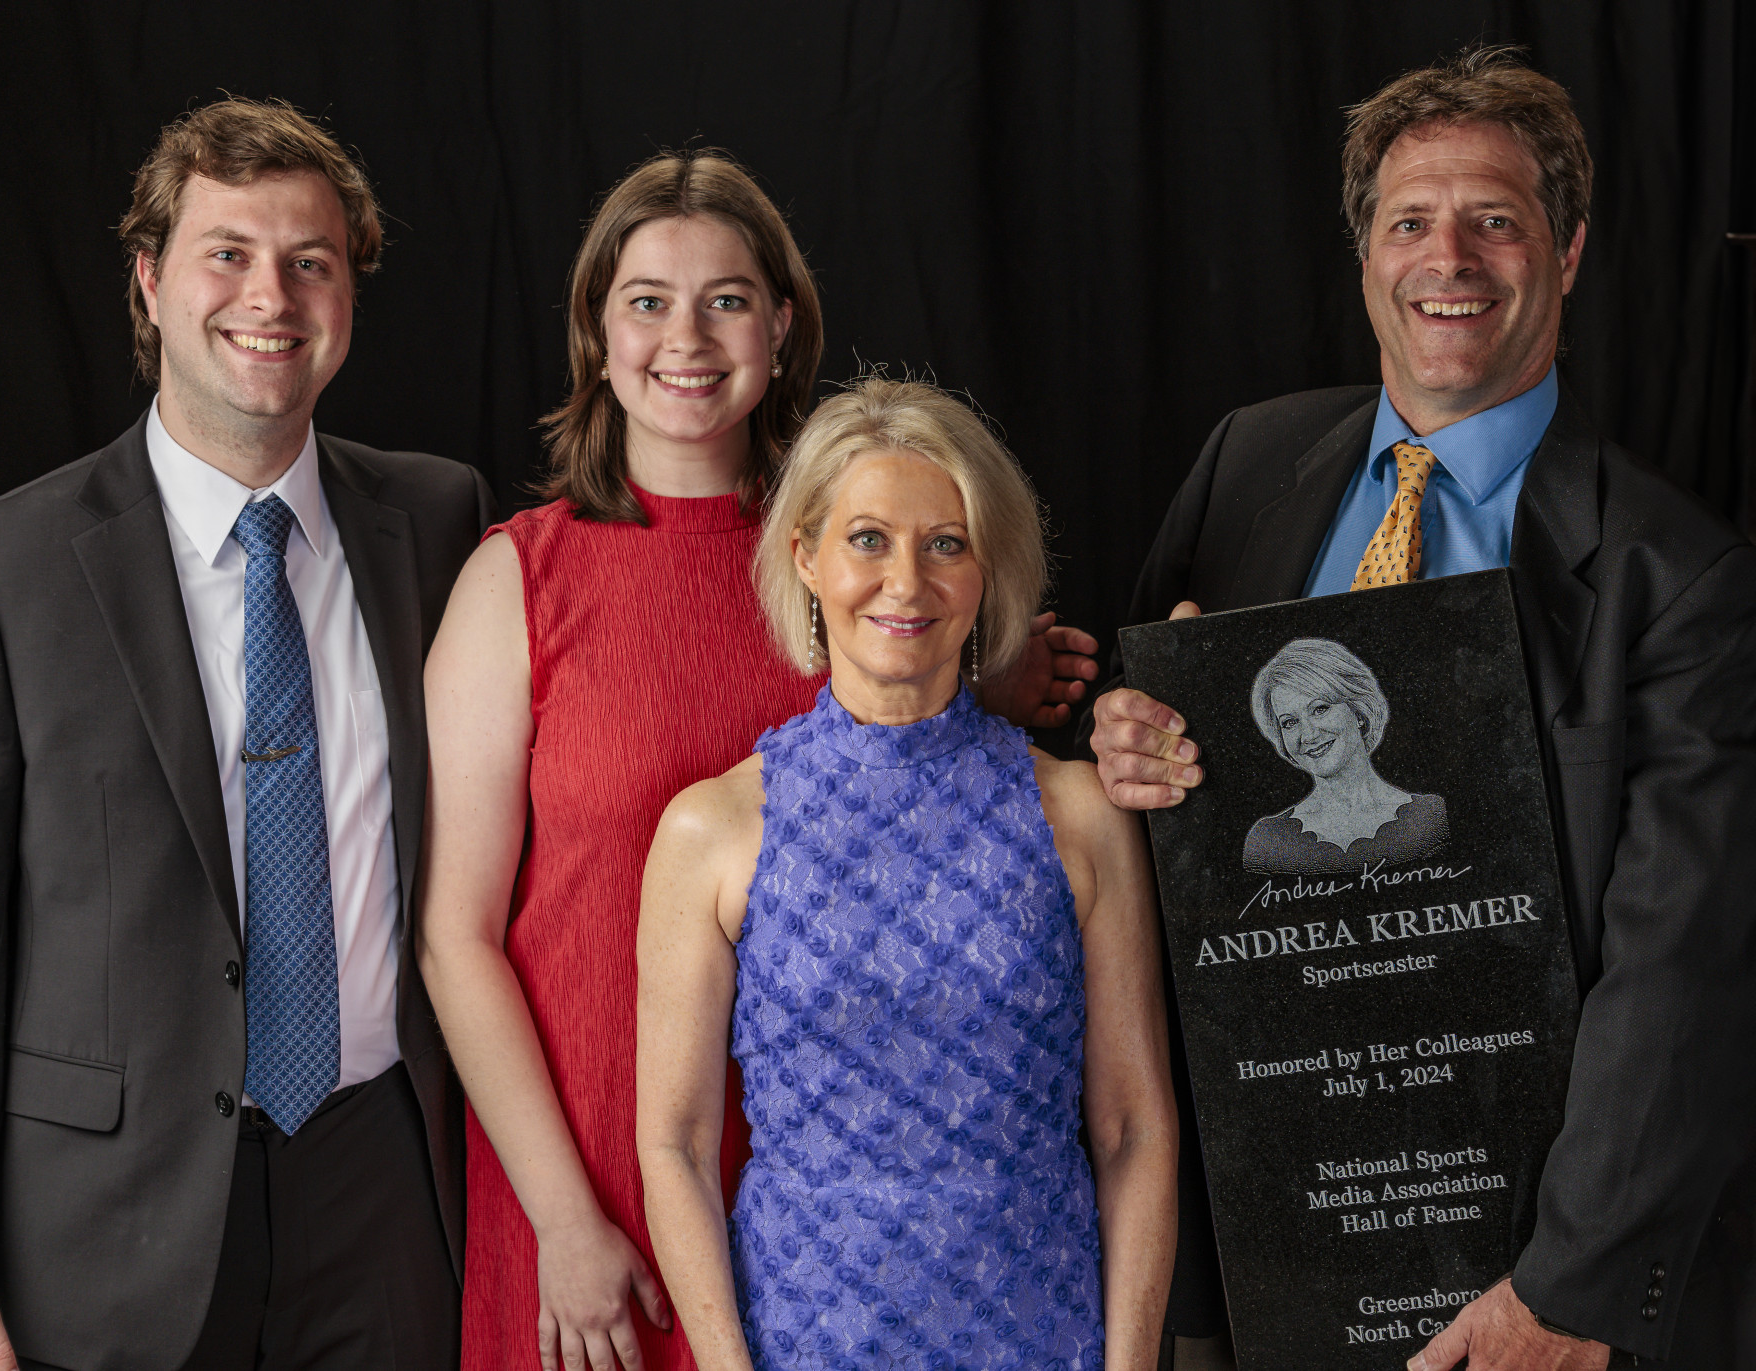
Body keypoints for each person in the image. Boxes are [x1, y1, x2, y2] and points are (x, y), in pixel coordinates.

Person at [1087, 46, 1756, 1371]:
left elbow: (1687, 971)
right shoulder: (1246, 467)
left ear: (1564, 253)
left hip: (1519, 1274)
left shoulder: (1680, 581)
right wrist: (1127, 742)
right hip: (1257, 1239)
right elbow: (1141, 781)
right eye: (1410, 221)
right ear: (1365, 255)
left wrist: (1566, 1289)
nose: (1447, 254)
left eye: (1495, 219)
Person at [418, 155, 1101, 1371]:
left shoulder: (860, 566)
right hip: (594, 1174)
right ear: (597, 328)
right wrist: (565, 1214)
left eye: (728, 299)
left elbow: (944, 770)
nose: (687, 335)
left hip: (833, 1187)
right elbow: (454, 937)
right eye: (647, 300)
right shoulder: (516, 580)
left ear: (783, 329)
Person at [0, 99, 489, 1371]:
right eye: (229, 253)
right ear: (149, 284)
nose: (273, 293)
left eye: (311, 260)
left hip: (387, 1193)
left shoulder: (437, 523)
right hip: (109, 1223)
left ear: (348, 295)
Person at [635, 376, 1178, 1371]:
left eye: (946, 544)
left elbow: (1134, 1126)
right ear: (805, 554)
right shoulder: (709, 832)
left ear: (987, 572)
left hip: (1045, 1336)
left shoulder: (1082, 817)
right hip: (801, 1341)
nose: (907, 582)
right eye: (869, 539)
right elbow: (673, 1144)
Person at [1240, 637, 1447, 875]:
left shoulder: (1431, 819)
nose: (1308, 735)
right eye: (1289, 722)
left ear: (1358, 711)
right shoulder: (1268, 841)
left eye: (1320, 709)